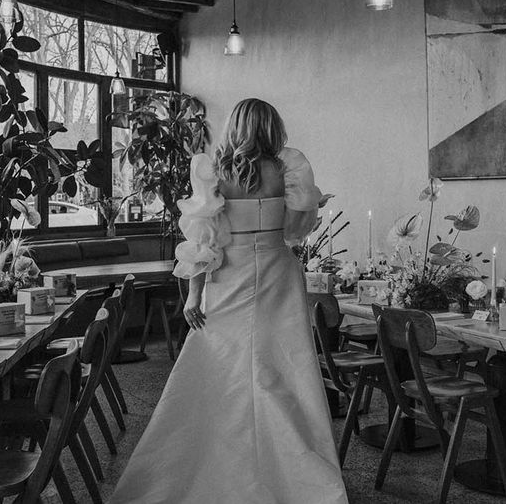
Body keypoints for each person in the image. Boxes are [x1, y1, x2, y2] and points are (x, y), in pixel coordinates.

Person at [109, 98, 348, 504]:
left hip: (228, 274)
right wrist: (309, 206)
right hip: (278, 273)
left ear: (235, 128)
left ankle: (210, 463)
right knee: (284, 369)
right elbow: (296, 230)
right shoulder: (288, 169)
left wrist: (195, 296)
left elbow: (203, 241)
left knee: (218, 366)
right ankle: (294, 472)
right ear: (271, 127)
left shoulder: (214, 173)